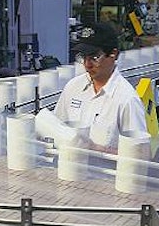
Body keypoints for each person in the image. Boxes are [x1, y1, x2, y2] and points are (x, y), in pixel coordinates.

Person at [54, 22, 148, 152]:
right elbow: (57, 127)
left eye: (94, 57)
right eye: (83, 57)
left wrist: (96, 149)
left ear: (113, 54)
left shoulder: (127, 100)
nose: (87, 65)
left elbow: (139, 154)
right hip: (68, 169)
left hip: (103, 171)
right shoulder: (73, 87)